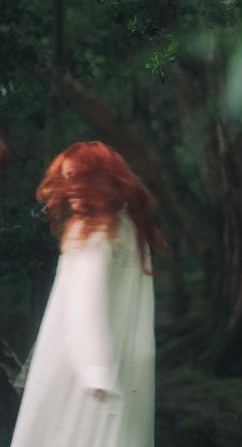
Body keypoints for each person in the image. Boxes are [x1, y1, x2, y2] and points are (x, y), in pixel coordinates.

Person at [10, 141, 163, 447]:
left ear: (102, 180)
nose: (71, 189)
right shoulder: (130, 226)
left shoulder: (94, 230)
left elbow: (86, 306)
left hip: (85, 370)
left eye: (78, 179)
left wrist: (96, 371)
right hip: (117, 366)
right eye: (66, 180)